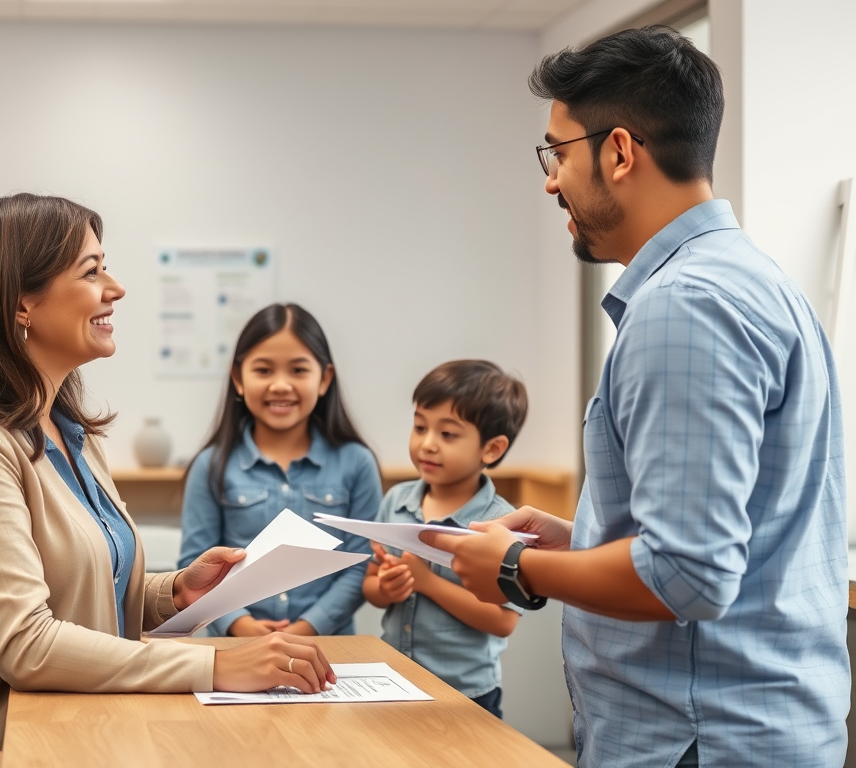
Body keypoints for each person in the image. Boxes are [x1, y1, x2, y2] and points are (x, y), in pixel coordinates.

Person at [422, 26, 849, 768]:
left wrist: (518, 568)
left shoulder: (685, 306)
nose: (549, 181)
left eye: (556, 153)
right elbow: (727, 536)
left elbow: (688, 574)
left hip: (695, 741)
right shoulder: (753, 280)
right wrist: (580, 540)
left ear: (619, 152)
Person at [0, 194, 333, 750]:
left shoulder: (65, 427)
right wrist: (215, 669)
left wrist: (175, 593)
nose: (116, 288)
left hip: (66, 724)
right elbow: (27, 645)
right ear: (20, 305)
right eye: (92, 271)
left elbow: (75, 589)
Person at [177, 303, 382, 637]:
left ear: (324, 378)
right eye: (264, 370)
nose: (281, 385)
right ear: (238, 379)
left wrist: (304, 630)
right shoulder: (210, 466)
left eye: (298, 370)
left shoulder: (357, 463)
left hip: (331, 651)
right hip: (236, 650)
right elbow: (194, 565)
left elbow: (361, 565)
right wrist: (243, 627)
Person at [362, 360, 526, 718]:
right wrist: (387, 588)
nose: (428, 444)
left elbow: (503, 621)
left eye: (448, 434)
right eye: (420, 427)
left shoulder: (500, 522)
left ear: (492, 449)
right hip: (395, 680)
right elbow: (371, 587)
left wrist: (427, 584)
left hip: (466, 692)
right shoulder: (396, 501)